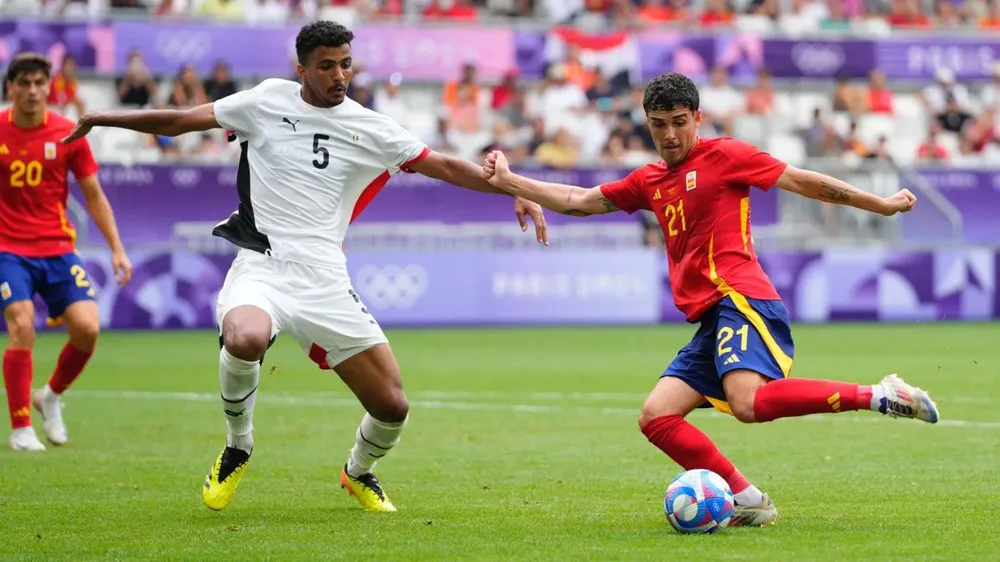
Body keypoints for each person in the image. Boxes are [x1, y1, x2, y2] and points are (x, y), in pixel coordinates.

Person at [62, 21, 548, 513]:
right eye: (327, 66)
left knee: (392, 406)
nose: (340, 75)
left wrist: (519, 189)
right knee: (244, 338)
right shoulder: (265, 101)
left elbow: (444, 166)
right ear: (302, 70)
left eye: (346, 64)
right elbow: (181, 120)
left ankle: (358, 471)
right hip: (263, 266)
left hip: (325, 280)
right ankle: (238, 445)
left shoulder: (370, 125)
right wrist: (104, 117)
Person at [482, 72, 938, 527]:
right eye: (659, 124)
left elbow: (802, 182)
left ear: (697, 118)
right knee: (656, 416)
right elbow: (577, 199)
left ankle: (880, 395)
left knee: (747, 403)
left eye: (679, 122)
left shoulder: (726, 155)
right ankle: (749, 500)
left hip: (741, 296)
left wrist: (880, 204)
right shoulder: (649, 180)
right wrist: (511, 181)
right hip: (712, 317)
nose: (669, 134)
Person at [1, 53, 133, 452]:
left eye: (39, 82)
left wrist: (117, 248)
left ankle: (50, 396)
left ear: (49, 87)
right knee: (22, 325)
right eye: (24, 83)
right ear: (11, 88)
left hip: (57, 248)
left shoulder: (66, 134)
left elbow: (94, 195)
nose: (32, 90)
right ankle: (21, 428)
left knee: (88, 329)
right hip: (8, 249)